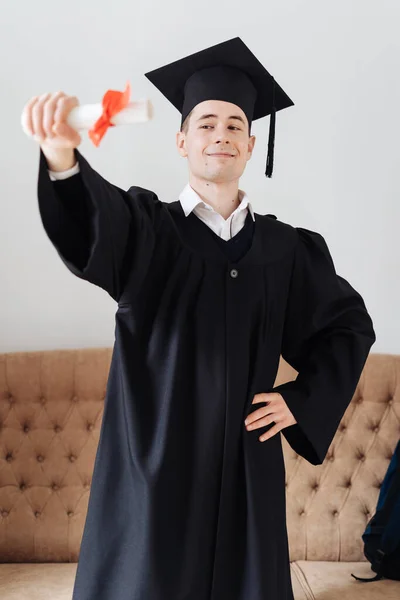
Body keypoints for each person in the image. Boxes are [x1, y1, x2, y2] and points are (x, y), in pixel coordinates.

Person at [24, 37, 376, 600]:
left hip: (245, 474)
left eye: (235, 125)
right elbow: (94, 221)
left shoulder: (285, 252)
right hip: (158, 469)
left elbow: (347, 326)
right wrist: (63, 161)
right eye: (207, 123)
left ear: (252, 144)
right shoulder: (148, 232)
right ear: (182, 140)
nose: (222, 135)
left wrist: (301, 400)